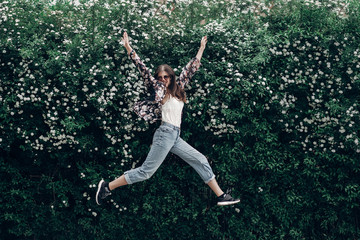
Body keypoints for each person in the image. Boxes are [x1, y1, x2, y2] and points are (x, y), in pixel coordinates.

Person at [96, 32, 240, 206]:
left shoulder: (178, 89)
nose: (163, 80)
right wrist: (128, 48)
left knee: (201, 160)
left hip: (175, 136)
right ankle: (107, 187)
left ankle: (221, 196)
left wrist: (201, 48)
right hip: (165, 133)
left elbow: (191, 68)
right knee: (146, 172)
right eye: (160, 77)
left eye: (166, 77)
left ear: (171, 77)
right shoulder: (158, 90)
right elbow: (142, 68)